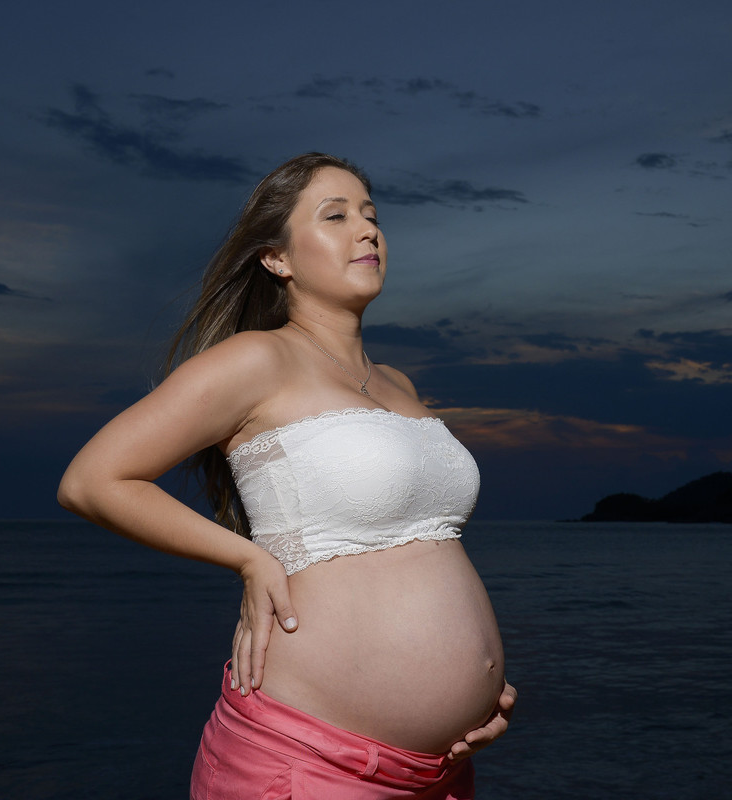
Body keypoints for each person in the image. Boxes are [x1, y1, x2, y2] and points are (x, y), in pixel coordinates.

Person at [58, 153, 516, 799]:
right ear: (278, 259)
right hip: (304, 762)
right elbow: (94, 480)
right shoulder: (256, 360)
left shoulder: (399, 385)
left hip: (439, 772)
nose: (368, 231)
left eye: (372, 215)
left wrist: (475, 692)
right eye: (336, 216)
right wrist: (250, 560)